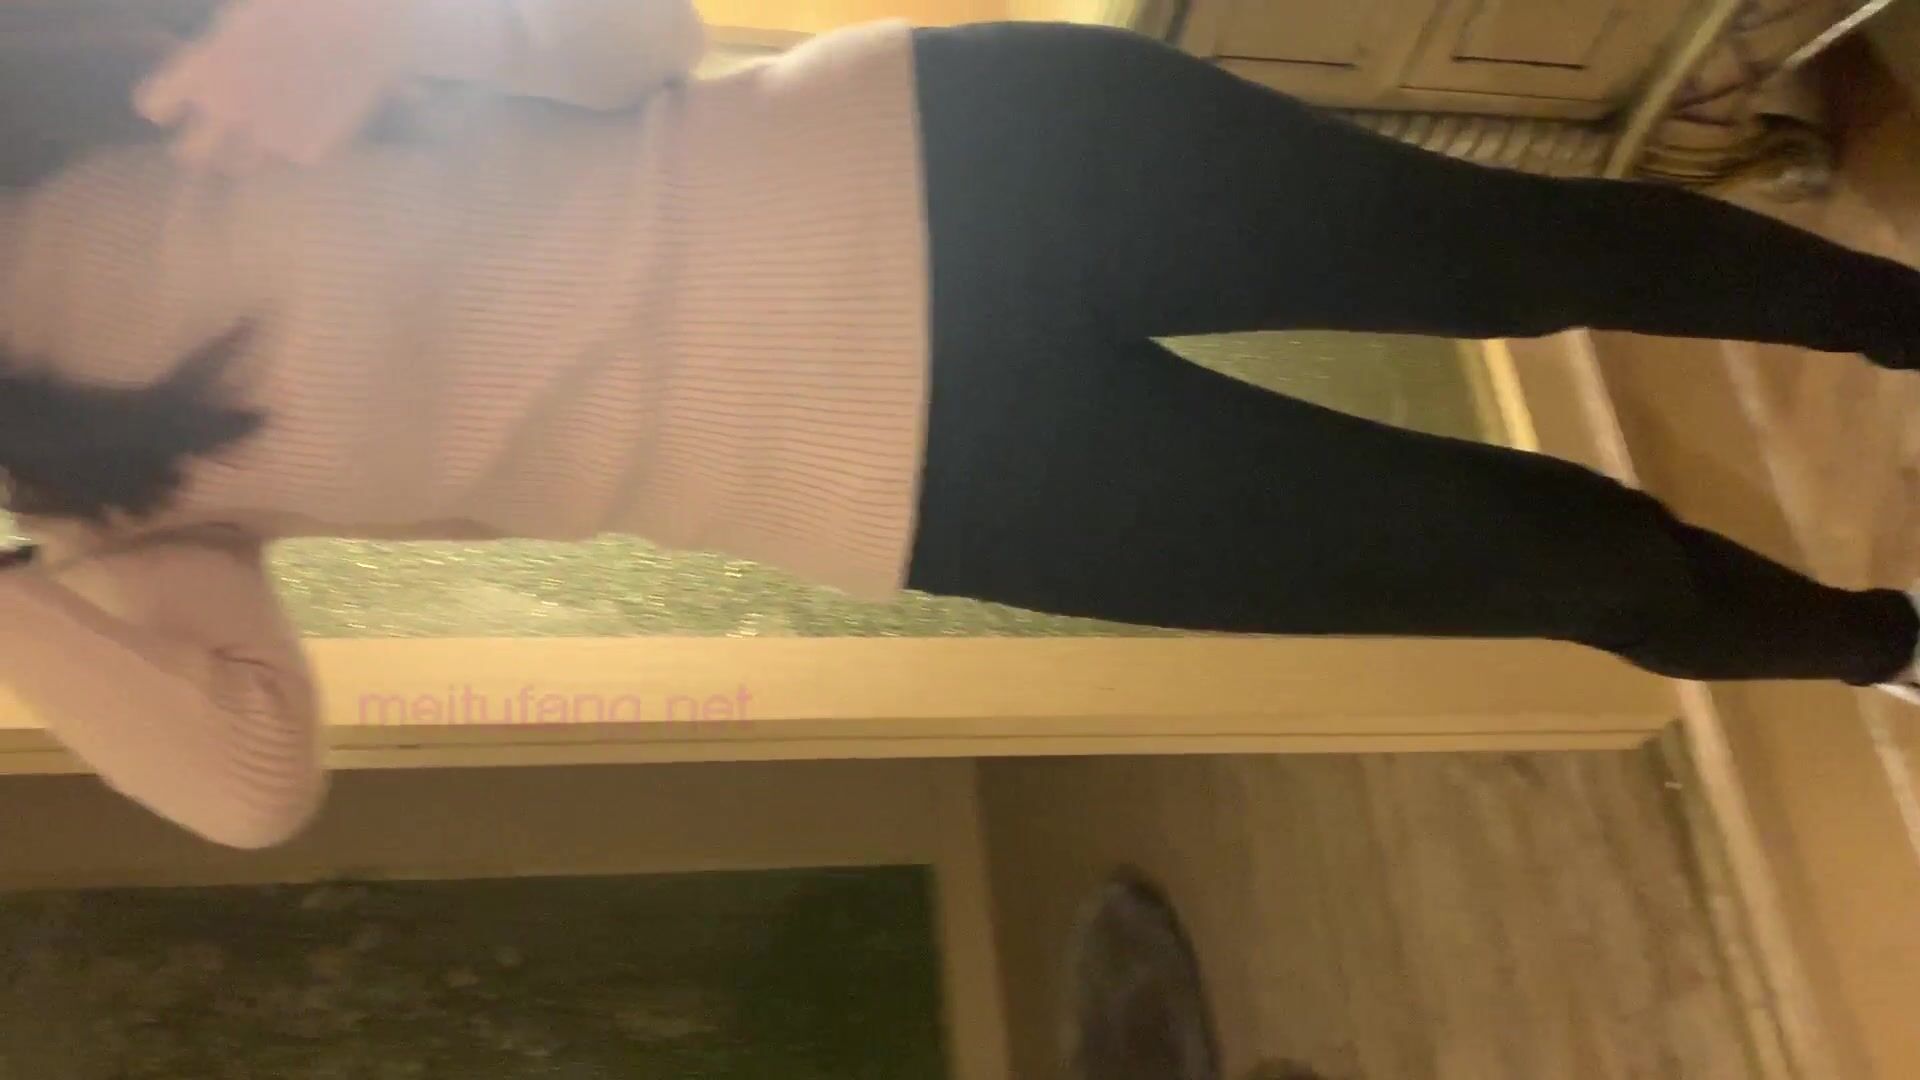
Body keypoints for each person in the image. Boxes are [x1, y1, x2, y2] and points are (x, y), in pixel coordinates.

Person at [2, 0, 1918, 849]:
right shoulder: (80, 502)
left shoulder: (107, 59)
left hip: (959, 157)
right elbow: (253, 785)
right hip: (930, 481)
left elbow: (634, 35)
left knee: (1526, 256)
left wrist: (382, 19)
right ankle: (1886, 646)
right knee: (1552, 567)